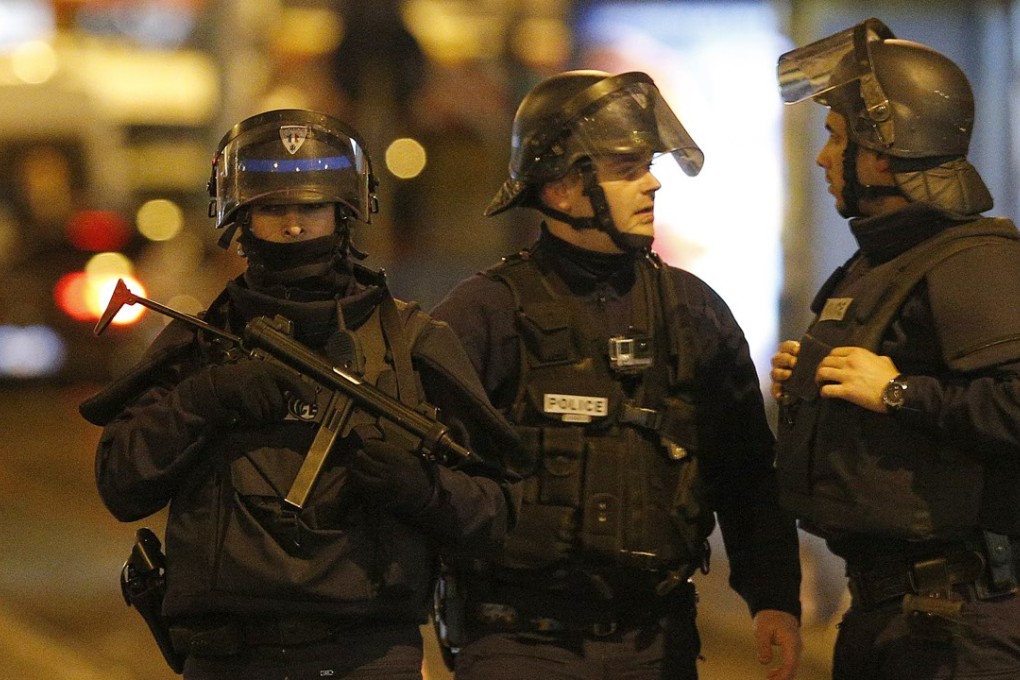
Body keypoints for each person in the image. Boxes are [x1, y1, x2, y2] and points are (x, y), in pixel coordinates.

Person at [79, 109, 519, 680]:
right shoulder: (197, 343)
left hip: (367, 654)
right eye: (272, 208)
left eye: (310, 207)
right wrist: (201, 400)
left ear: (345, 213)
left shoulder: (412, 344)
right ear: (238, 217)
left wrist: (423, 489)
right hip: (229, 656)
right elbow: (122, 485)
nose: (292, 227)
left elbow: (495, 514)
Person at [431, 70, 802, 680]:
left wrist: (775, 599)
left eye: (648, 164)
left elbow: (746, 474)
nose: (653, 182)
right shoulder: (487, 313)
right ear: (559, 189)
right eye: (626, 167)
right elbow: (419, 474)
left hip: (656, 642)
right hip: (518, 643)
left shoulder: (694, 311)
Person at [771, 18, 1020, 679]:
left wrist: (897, 392)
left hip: (959, 622)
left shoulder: (975, 261)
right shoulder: (881, 263)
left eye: (835, 138)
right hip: (890, 612)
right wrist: (815, 381)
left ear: (883, 152)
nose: (824, 158)